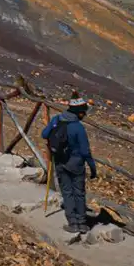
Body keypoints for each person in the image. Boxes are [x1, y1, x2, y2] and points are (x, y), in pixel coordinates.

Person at [42, 95, 98, 236]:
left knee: (67, 192)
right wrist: (92, 168)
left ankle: (72, 223)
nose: (84, 115)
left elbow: (44, 134)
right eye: (83, 113)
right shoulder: (78, 128)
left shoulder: (57, 119)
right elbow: (85, 151)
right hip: (77, 165)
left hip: (60, 161)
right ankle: (82, 223)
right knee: (79, 193)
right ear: (79, 113)